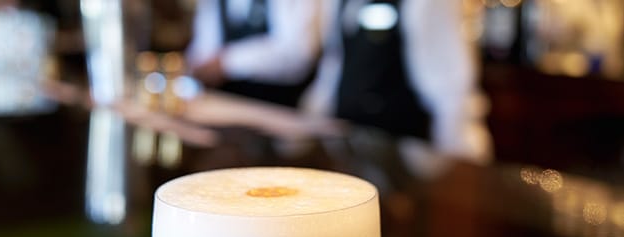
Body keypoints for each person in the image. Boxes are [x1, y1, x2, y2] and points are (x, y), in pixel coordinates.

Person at [301, 0, 493, 164]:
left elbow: (451, 92)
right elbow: (333, 69)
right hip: (349, 152)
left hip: (406, 160)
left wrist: (461, 165)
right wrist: (308, 132)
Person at [185, 0, 322, 107]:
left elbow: (299, 53)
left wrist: (227, 63)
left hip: (277, 105)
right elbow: (204, 45)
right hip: (226, 102)